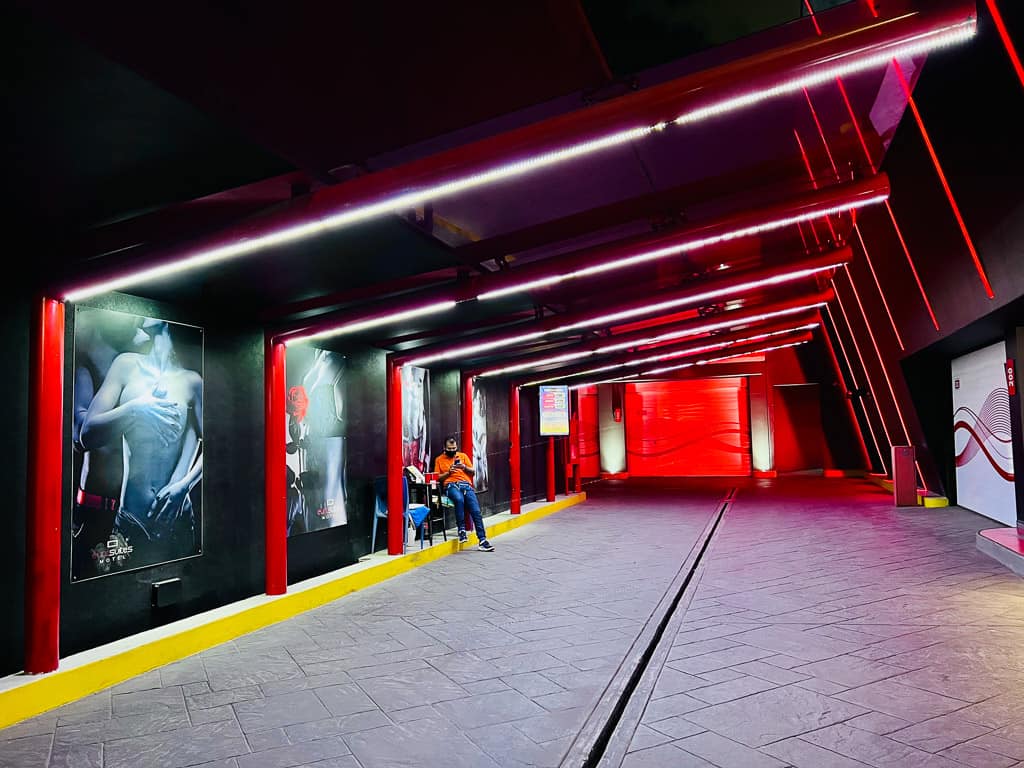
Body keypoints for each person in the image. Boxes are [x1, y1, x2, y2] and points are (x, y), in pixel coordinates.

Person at [80, 317, 203, 568]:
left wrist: (184, 486)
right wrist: (136, 408)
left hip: (176, 516)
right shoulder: (125, 365)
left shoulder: (191, 381)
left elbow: (214, 444)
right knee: (118, 594)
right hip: (131, 518)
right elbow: (87, 434)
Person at [435, 435, 493, 551]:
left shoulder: (462, 456)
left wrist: (464, 467)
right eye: (449, 448)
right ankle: (461, 530)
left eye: (454, 448)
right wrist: (448, 472)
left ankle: (482, 539)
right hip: (451, 485)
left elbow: (472, 472)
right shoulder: (439, 459)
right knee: (459, 499)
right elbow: (437, 477)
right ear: (444, 448)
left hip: (466, 485)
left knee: (476, 511)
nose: (452, 450)